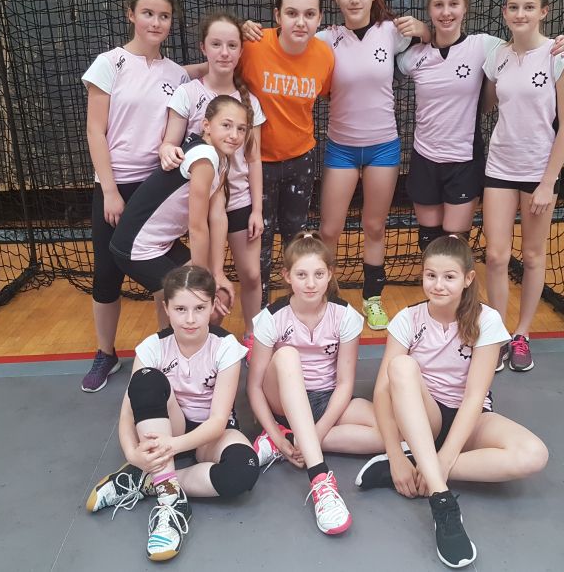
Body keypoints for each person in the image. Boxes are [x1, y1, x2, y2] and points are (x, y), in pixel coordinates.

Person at [356, 235, 548, 568]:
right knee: (399, 367)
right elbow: (383, 393)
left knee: (534, 455)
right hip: (424, 417)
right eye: (431, 275)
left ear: (468, 278)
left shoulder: (486, 320)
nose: (439, 284)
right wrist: (394, 454)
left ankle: (422, 465)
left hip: (469, 420)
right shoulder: (407, 320)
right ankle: (442, 502)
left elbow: (475, 397)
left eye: (449, 276)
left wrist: (444, 459)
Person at [85, 265, 259, 561]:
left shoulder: (226, 347)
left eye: (199, 308)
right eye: (180, 309)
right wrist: (132, 454)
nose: (190, 319)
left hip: (209, 433)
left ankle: (148, 481)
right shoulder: (152, 347)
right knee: (146, 379)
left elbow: (218, 421)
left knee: (244, 471)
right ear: (166, 308)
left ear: (212, 306)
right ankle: (170, 500)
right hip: (170, 424)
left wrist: (172, 447)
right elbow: (127, 413)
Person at [396, 0, 564, 253]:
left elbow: (525, 43)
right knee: (429, 241)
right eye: (438, 5)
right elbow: (381, 64)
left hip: (465, 160)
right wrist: (424, 33)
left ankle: (457, 285)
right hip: (424, 158)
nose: (446, 12)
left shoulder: (485, 46)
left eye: (453, 4)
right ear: (429, 10)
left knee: (455, 246)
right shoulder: (414, 57)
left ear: (465, 8)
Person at [81, 0, 191, 393]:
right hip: (115, 183)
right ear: (131, 14)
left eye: (164, 16)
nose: (156, 22)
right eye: (148, 13)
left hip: (156, 186)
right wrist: (109, 190)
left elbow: (195, 77)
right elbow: (95, 131)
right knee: (107, 273)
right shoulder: (109, 64)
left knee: (162, 266)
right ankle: (105, 353)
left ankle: (170, 350)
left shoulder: (177, 74)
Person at [314, 0, 429, 331]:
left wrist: (424, 28)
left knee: (374, 226)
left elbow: (439, 38)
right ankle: (327, 297)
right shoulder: (326, 38)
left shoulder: (391, 32)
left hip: (383, 147)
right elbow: (285, 41)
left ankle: (373, 298)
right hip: (341, 148)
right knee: (329, 230)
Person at [246, 231, 383, 535]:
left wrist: (315, 433)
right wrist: (272, 428)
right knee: (287, 356)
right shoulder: (272, 317)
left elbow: (345, 383)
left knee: (388, 430)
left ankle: (294, 439)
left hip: (325, 398)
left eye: (318, 274)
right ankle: (320, 477)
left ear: (330, 274)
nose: (310, 283)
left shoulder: (345, 316)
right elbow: (254, 387)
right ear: (287, 276)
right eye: (302, 275)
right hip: (281, 400)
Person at [482, 0, 564, 374]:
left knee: (535, 254)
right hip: (499, 167)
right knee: (495, 255)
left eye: (528, 7)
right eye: (513, 7)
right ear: (504, 12)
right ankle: (496, 335)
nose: (520, 14)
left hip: (539, 172)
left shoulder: (559, 56)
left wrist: (548, 182)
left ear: (543, 12)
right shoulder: (497, 56)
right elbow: (488, 105)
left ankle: (521, 334)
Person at [159, 12, 266, 353]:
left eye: (232, 45)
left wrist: (257, 209)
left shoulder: (249, 101)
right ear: (203, 47)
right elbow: (170, 142)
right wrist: (167, 150)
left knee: (251, 274)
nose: (224, 52)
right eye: (216, 44)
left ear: (240, 51)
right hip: (200, 207)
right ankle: (192, 344)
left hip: (239, 201)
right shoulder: (188, 93)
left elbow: (254, 159)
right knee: (198, 281)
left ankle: (252, 336)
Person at [237, 0, 335, 307]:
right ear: (277, 15)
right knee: (259, 240)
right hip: (256, 163)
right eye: (292, 13)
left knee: (296, 240)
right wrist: (239, 28)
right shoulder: (252, 45)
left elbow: (328, 93)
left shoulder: (324, 56)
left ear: (320, 18)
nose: (300, 22)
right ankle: (260, 315)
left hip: (300, 160)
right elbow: (219, 62)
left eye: (309, 14)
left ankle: (299, 309)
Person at [109, 95, 248, 316]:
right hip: (137, 249)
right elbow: (197, 227)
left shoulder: (221, 159)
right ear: (206, 126)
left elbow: (218, 216)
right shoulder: (204, 157)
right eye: (226, 125)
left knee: (213, 301)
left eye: (241, 129)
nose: (234, 135)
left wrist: (218, 272)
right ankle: (171, 337)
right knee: (200, 306)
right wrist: (202, 283)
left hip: (162, 243)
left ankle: (177, 335)